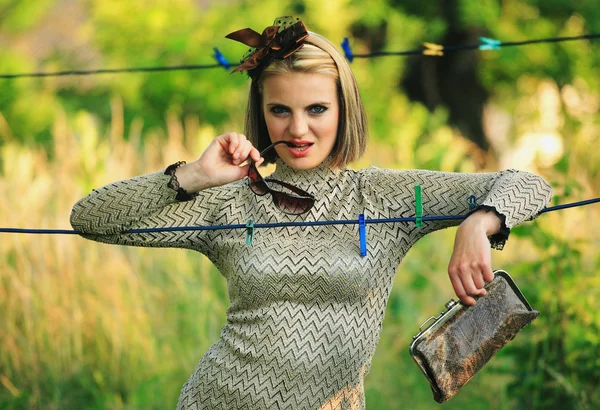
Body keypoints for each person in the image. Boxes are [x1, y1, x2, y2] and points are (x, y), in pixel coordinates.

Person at [70, 16, 553, 410]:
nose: (298, 128)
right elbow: (90, 218)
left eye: (317, 109)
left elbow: (532, 185)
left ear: (344, 109)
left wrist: (479, 221)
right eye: (280, 110)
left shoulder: (386, 196)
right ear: (261, 112)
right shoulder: (232, 198)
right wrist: (193, 176)